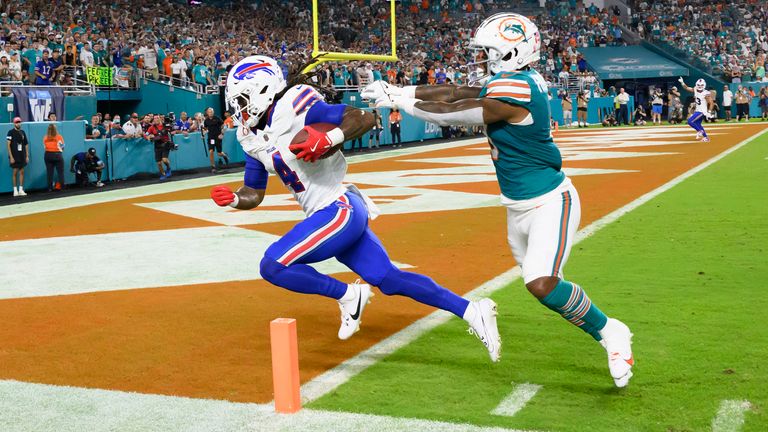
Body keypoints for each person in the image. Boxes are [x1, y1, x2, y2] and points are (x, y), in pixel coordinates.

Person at [363, 12, 634, 387]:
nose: (483, 58)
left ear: (513, 52)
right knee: (544, 288)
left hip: (549, 201)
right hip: (517, 206)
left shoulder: (520, 90)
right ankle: (603, 329)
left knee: (541, 282)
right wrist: (403, 91)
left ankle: (611, 333)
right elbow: (459, 92)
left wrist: (396, 101)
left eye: (490, 51)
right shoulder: (512, 81)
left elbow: (457, 113)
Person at [214, 55, 501, 361]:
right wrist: (234, 199)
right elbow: (253, 191)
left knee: (273, 266)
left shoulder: (295, 103)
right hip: (327, 216)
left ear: (264, 90)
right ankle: (473, 310)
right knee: (389, 280)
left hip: (338, 208)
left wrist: (328, 138)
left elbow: (363, 118)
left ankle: (350, 295)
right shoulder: (250, 136)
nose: (239, 109)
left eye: (243, 99)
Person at [678, 77, 714, 142]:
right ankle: (706, 137)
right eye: (698, 85)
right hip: (698, 110)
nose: (700, 86)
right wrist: (682, 82)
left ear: (704, 85)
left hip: (702, 111)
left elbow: (711, 103)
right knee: (698, 124)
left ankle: (699, 131)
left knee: (690, 121)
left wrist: (709, 111)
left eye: (701, 85)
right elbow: (686, 88)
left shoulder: (706, 93)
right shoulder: (695, 89)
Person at [145, 115, 173, 180]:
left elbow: (172, 130)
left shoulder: (165, 125)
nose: (156, 119)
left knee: (164, 160)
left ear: (160, 119)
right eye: (154, 118)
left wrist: (170, 130)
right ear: (153, 120)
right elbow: (146, 134)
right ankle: (163, 174)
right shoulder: (151, 127)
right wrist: (148, 137)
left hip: (166, 144)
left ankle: (168, 168)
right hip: (157, 145)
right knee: (159, 163)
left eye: (157, 118)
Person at [7, 117, 29, 197]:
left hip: (22, 155)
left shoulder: (23, 132)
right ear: (14, 123)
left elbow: (26, 144)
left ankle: (21, 189)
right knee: (15, 172)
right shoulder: (10, 132)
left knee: (22, 172)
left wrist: (27, 155)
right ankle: (15, 190)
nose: (18, 123)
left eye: (19, 122)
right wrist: (11, 157)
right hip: (14, 156)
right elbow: (8, 145)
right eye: (16, 122)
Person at [202, 107, 229, 173]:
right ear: (207, 113)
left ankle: (224, 155)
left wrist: (222, 134)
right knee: (211, 151)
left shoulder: (217, 118)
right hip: (211, 138)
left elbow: (225, 126)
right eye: (209, 112)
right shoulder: (206, 121)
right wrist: (203, 134)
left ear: (213, 112)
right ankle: (213, 167)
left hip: (218, 138)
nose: (211, 113)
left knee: (219, 154)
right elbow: (205, 129)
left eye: (212, 111)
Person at [43, 123, 65, 191]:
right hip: (57, 155)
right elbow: (63, 147)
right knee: (60, 172)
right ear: (56, 129)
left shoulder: (45, 137)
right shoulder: (59, 137)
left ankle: (50, 188)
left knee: (49, 173)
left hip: (48, 155)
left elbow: (44, 147)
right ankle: (62, 187)